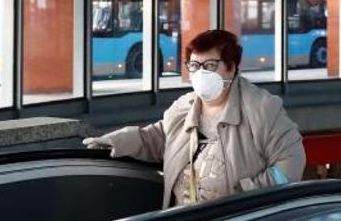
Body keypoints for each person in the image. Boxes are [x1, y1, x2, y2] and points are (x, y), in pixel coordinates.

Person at [83, 30, 306, 208]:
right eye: (194, 65)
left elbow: (291, 160)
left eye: (210, 66)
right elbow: (158, 137)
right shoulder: (184, 107)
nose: (201, 73)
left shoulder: (261, 109)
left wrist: (246, 194)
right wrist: (118, 141)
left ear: (231, 67)